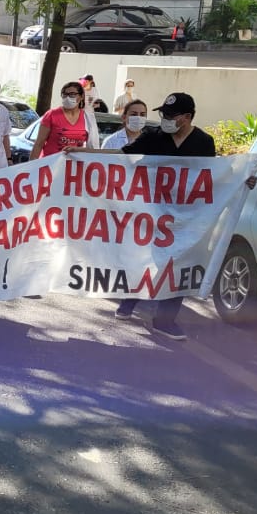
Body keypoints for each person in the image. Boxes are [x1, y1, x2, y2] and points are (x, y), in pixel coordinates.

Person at [73, 92, 216, 342]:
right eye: (164, 114)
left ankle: (165, 320)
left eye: (171, 116)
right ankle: (131, 297)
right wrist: (83, 153)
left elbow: (214, 176)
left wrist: (242, 179)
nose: (165, 119)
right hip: (152, 211)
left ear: (187, 117)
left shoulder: (204, 142)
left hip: (185, 216)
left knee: (177, 262)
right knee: (147, 257)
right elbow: (123, 155)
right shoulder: (154, 136)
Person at [30, 81, 96, 159]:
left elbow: (93, 148)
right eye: (65, 94)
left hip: (74, 166)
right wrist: (31, 166)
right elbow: (39, 143)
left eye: (72, 94)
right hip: (51, 165)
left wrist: (78, 150)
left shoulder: (88, 118)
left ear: (81, 96)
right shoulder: (52, 115)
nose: (68, 97)